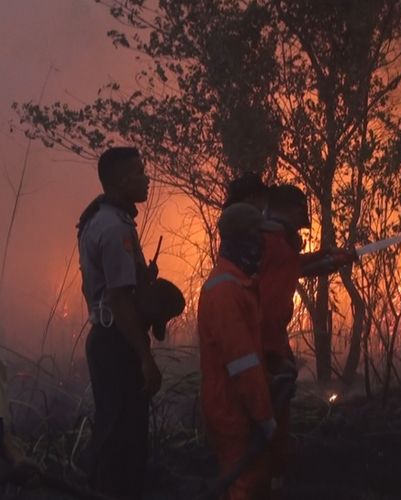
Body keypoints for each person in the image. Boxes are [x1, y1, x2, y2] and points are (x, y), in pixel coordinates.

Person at [77, 147, 182, 499]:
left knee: (114, 427)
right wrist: (145, 358)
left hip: (108, 338)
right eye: (139, 172)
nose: (146, 178)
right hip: (117, 342)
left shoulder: (100, 218)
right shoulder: (114, 227)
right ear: (122, 181)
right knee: (123, 436)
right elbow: (120, 300)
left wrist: (143, 278)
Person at [255, 184, 356, 497]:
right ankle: (264, 486)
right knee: (265, 424)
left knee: (274, 425)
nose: (304, 214)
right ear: (284, 208)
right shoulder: (271, 242)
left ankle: (272, 484)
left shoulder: (276, 243)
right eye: (300, 207)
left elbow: (295, 267)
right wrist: (276, 357)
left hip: (269, 346)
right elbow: (275, 290)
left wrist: (327, 258)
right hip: (263, 349)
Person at [197, 199, 276, 500]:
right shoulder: (225, 291)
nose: (263, 243)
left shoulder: (238, 284)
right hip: (232, 408)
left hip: (240, 404)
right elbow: (242, 364)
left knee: (253, 479)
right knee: (242, 483)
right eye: (258, 235)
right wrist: (265, 415)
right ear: (242, 238)